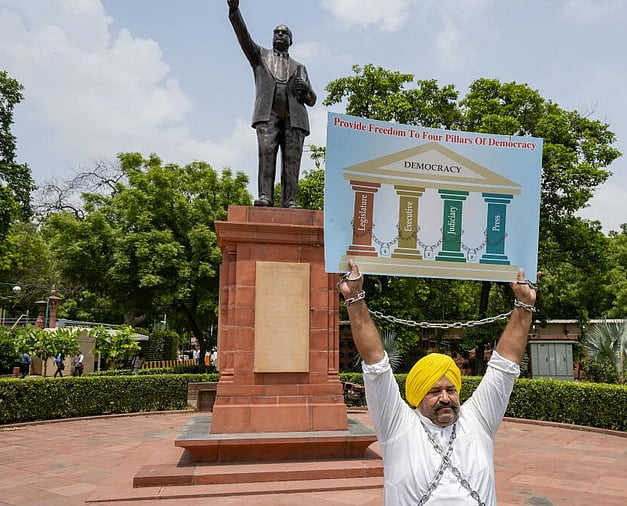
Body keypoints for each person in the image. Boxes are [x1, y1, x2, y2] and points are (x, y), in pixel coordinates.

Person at [337, 260, 538, 505]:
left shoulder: (478, 420)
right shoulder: (397, 424)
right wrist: (355, 298)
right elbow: (376, 364)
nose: (445, 398)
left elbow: (504, 366)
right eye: (434, 391)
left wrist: (524, 305)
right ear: (418, 395)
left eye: (450, 390)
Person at [227, 0, 316, 209]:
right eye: (276, 32)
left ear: (290, 40)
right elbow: (244, 37)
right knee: (266, 157)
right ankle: (265, 196)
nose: (279, 35)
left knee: (291, 163)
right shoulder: (260, 56)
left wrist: (306, 90)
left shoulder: (300, 67)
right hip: (269, 115)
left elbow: (312, 100)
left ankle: (290, 200)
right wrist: (234, 11)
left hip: (295, 120)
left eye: (284, 33)